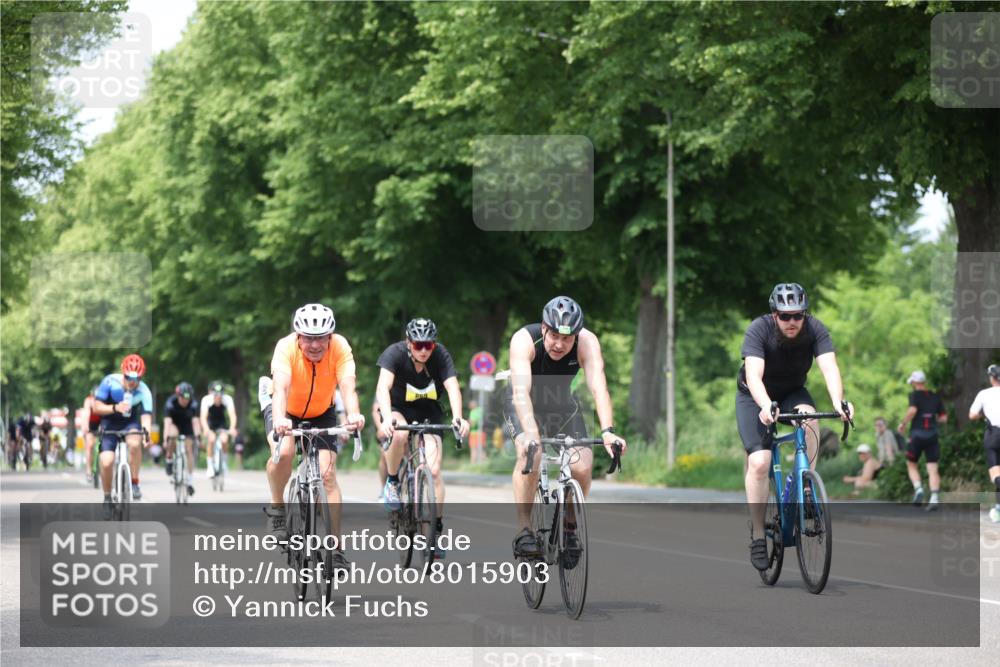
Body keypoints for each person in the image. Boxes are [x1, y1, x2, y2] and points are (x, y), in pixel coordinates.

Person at [737, 283, 851, 571]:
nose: (792, 322)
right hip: (755, 396)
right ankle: (760, 535)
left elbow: (829, 368)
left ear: (805, 314)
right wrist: (765, 405)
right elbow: (753, 375)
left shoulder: (815, 329)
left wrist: (839, 402)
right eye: (785, 316)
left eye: (797, 316)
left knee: (809, 417)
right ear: (774, 314)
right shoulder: (758, 329)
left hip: (792, 392)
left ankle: (806, 486)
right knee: (760, 463)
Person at [506, 296, 627, 560]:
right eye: (554, 337)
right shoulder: (524, 340)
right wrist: (531, 435)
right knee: (532, 454)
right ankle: (524, 528)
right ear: (544, 328)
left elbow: (599, 388)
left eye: (568, 338)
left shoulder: (587, 342)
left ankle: (569, 527)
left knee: (582, 465)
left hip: (561, 405)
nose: (560, 344)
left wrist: (608, 430)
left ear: (576, 336)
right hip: (523, 402)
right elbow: (520, 391)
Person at [258, 303, 365, 568]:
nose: (315, 345)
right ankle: (276, 506)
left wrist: (353, 414)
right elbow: (281, 388)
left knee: (328, 476)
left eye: (320, 338)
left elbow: (348, 387)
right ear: (298, 337)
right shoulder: (285, 348)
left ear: (330, 337)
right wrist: (281, 419)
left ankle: (336, 550)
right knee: (284, 452)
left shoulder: (340, 347)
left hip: (322, 411)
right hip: (285, 410)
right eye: (308, 338)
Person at [375, 317, 470, 559]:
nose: (425, 350)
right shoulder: (394, 354)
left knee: (434, 471)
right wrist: (386, 418)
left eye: (429, 345)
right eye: (418, 345)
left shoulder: (440, 356)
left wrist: (458, 418)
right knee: (398, 435)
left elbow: (452, 388)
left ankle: (435, 532)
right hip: (397, 408)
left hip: (429, 412)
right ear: (409, 344)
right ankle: (393, 481)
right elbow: (382, 388)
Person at [93, 354, 153, 514]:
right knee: (106, 462)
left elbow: (146, 416)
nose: (133, 382)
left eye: (137, 378)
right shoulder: (109, 382)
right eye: (129, 377)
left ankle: (134, 482)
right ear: (123, 373)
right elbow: (96, 407)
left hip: (130, 423)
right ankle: (107, 497)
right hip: (109, 422)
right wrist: (114, 408)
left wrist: (147, 434)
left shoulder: (144, 390)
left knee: (135, 443)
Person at [898, 370, 947, 511]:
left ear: (914, 383)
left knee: (911, 464)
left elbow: (912, 410)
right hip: (932, 435)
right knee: (932, 468)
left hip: (917, 434)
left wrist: (903, 424)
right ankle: (934, 498)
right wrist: (932, 419)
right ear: (924, 382)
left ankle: (918, 488)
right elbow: (944, 418)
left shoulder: (914, 395)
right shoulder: (935, 396)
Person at [968, 364, 1000, 523]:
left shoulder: (984, 394)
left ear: (991, 378)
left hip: (994, 434)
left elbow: (972, 415)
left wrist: (983, 415)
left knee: (996, 475)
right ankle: (998, 508)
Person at [163, 381, 201, 497]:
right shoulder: (170, 403)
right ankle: (169, 459)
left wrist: (198, 437)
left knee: (189, 449)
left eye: (188, 397)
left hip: (187, 425)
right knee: (172, 436)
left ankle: (189, 481)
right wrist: (165, 439)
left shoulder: (193, 404)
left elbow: (195, 422)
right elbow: (167, 423)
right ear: (178, 396)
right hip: (174, 424)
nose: (186, 400)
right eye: (183, 397)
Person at [200, 381, 238, 479]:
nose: (218, 398)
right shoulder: (206, 400)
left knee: (224, 440)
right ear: (211, 394)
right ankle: (210, 466)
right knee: (211, 439)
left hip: (221, 422)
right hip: (210, 423)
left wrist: (232, 428)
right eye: (216, 395)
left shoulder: (227, 399)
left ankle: (224, 463)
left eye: (220, 395)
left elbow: (232, 415)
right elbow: (203, 417)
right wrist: (206, 429)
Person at [81, 386, 102, 482]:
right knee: (89, 445)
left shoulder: (103, 400)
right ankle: (89, 471)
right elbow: (86, 414)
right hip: (91, 424)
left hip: (102, 423)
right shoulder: (88, 401)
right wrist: (85, 428)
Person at [468, 399, 486, 464]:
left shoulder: (474, 411)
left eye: (471, 404)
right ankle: (484, 463)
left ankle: (473, 463)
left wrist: (467, 423)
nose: (469, 405)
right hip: (482, 432)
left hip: (474, 433)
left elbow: (473, 422)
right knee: (481, 449)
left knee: (473, 449)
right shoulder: (480, 410)